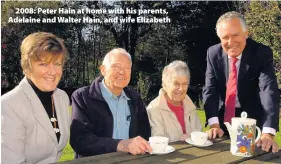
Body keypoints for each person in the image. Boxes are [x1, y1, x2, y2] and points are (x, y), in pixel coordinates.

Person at [202, 11, 280, 153]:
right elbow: (210, 89)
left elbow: (268, 90)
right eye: (225, 37)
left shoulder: (261, 53)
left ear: (246, 34)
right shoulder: (213, 54)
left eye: (235, 35)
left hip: (251, 123)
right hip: (222, 122)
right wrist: (213, 124)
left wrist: (268, 132)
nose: (231, 42)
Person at [1, 32, 70, 163]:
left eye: (57, 64)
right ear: (27, 67)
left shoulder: (62, 98)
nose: (52, 71)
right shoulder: (9, 104)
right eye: (43, 64)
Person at [70, 48, 152, 157]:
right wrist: (119, 145)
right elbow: (81, 140)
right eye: (116, 66)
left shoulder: (135, 98)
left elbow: (144, 134)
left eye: (127, 68)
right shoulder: (83, 97)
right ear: (103, 70)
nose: (122, 72)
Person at [147, 61, 202, 142]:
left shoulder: (190, 107)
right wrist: (180, 142)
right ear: (165, 84)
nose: (181, 89)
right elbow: (158, 143)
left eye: (184, 84)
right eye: (176, 83)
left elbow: (199, 133)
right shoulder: (154, 109)